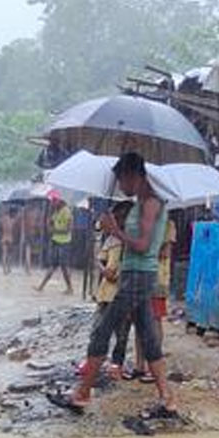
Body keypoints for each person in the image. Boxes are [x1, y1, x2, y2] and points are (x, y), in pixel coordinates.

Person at [52, 152, 176, 418]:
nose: (120, 186)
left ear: (135, 176)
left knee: (102, 332)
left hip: (138, 275)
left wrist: (115, 231)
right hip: (135, 274)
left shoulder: (150, 204)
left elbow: (143, 246)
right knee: (150, 341)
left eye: (122, 180)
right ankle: (167, 399)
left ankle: (82, 394)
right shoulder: (141, 202)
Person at [131, 215, 178, 382]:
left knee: (154, 322)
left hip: (157, 279)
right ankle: (139, 365)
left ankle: (154, 368)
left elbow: (165, 253)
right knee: (139, 321)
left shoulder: (167, 225)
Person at [93, 200, 132, 379]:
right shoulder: (111, 239)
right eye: (117, 217)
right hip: (106, 292)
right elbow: (99, 259)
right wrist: (104, 271)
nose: (120, 220)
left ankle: (117, 363)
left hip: (124, 293)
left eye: (123, 217)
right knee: (99, 329)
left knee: (122, 333)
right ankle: (95, 361)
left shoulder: (134, 241)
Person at [36, 193, 74, 294]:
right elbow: (50, 224)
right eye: (52, 201)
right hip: (55, 241)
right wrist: (49, 219)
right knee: (53, 265)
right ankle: (41, 286)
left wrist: (54, 230)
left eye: (54, 201)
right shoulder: (56, 212)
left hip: (64, 242)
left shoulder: (67, 211)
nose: (52, 203)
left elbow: (69, 229)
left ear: (60, 200)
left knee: (64, 266)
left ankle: (70, 288)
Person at [21, 201, 43, 275]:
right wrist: (39, 231)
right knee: (30, 250)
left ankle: (27, 267)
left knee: (29, 250)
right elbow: (39, 224)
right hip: (32, 232)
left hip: (28, 232)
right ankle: (29, 268)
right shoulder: (37, 212)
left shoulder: (26, 211)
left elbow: (24, 223)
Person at [0, 206, 18, 275]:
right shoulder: (14, 220)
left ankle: (5, 269)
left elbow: (1, 227)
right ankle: (8, 268)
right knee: (10, 255)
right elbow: (15, 230)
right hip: (10, 238)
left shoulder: (4, 218)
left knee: (4, 254)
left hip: (4, 237)